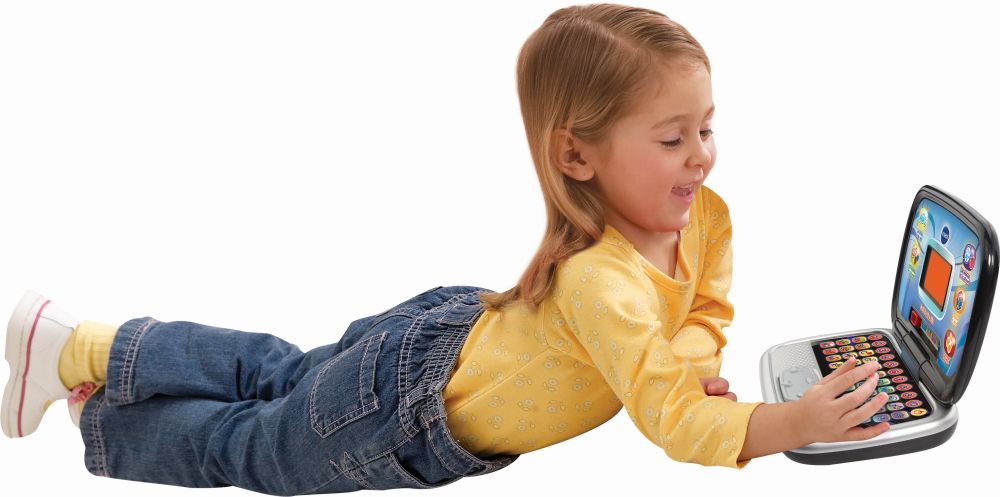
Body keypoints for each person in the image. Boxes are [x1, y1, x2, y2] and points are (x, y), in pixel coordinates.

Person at [1, 3, 891, 494]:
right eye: (672, 138)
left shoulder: (703, 217)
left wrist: (687, 364)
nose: (701, 155)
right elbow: (674, 425)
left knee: (283, 372)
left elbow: (705, 314)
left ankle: (79, 341)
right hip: (412, 411)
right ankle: (98, 408)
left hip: (453, 331)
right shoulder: (601, 285)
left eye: (706, 126)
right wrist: (792, 425)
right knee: (257, 446)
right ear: (575, 155)